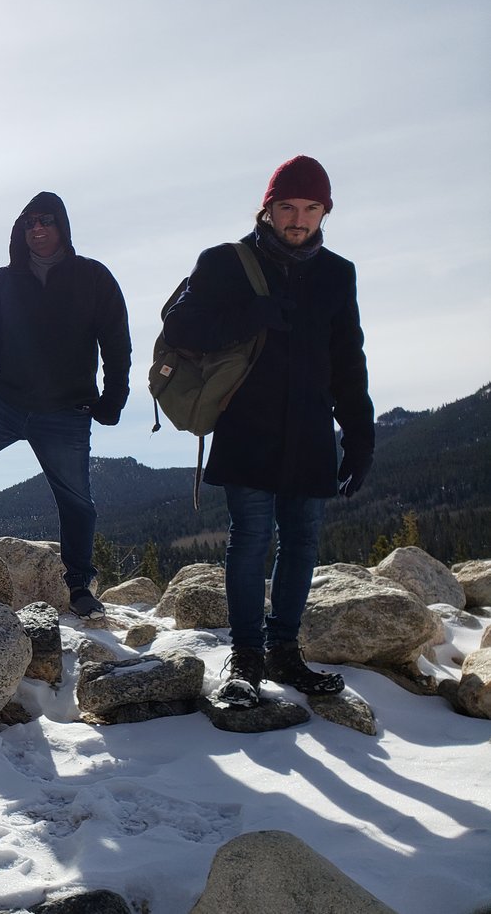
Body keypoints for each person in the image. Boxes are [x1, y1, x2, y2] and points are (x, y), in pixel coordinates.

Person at [162, 155, 373, 707]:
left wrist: (360, 432)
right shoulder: (225, 263)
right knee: (251, 540)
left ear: (325, 211)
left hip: (309, 428)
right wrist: (251, 315)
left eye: (310, 208)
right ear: (268, 208)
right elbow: (180, 326)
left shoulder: (337, 273)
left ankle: (284, 650)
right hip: (246, 425)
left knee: (302, 541)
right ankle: (247, 657)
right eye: (288, 207)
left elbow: (349, 360)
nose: (298, 219)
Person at [0, 191, 131, 623]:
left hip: (66, 410)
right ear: (20, 231)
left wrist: (114, 394)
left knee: (76, 500)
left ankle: (80, 586)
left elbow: (116, 340)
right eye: (29, 223)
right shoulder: (4, 281)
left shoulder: (92, 277)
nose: (37, 229)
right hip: (6, 403)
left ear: (62, 225)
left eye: (46, 221)